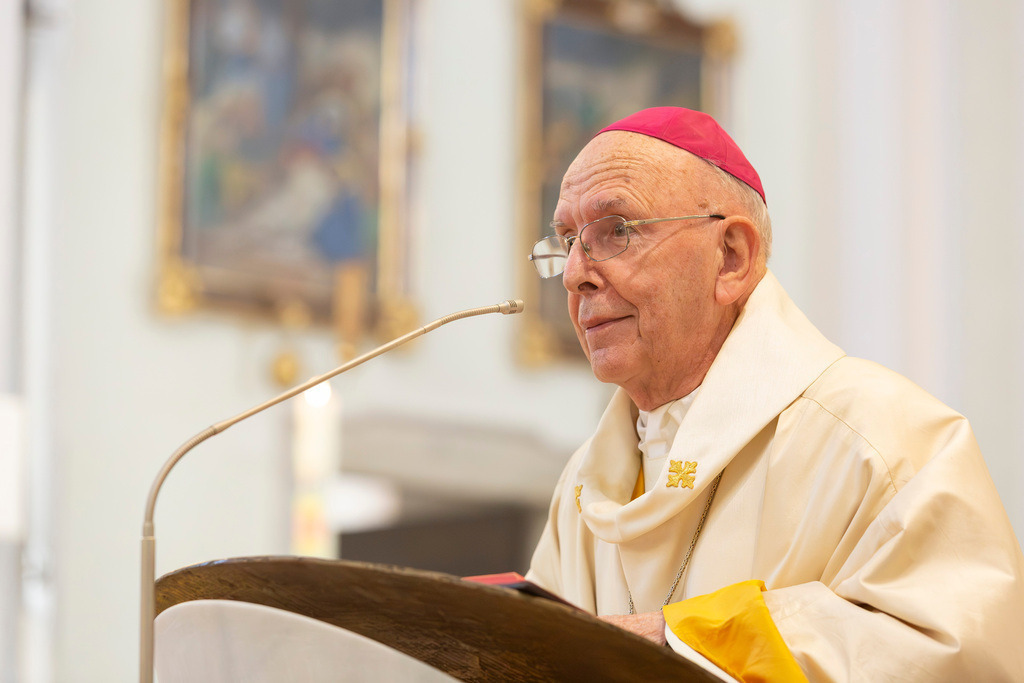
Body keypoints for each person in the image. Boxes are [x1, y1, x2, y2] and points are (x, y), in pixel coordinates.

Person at [525, 107, 1024, 681]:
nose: (574, 274)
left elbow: (959, 655)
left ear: (731, 257)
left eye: (617, 231)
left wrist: (681, 639)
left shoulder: (884, 438)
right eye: (568, 242)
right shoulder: (585, 487)